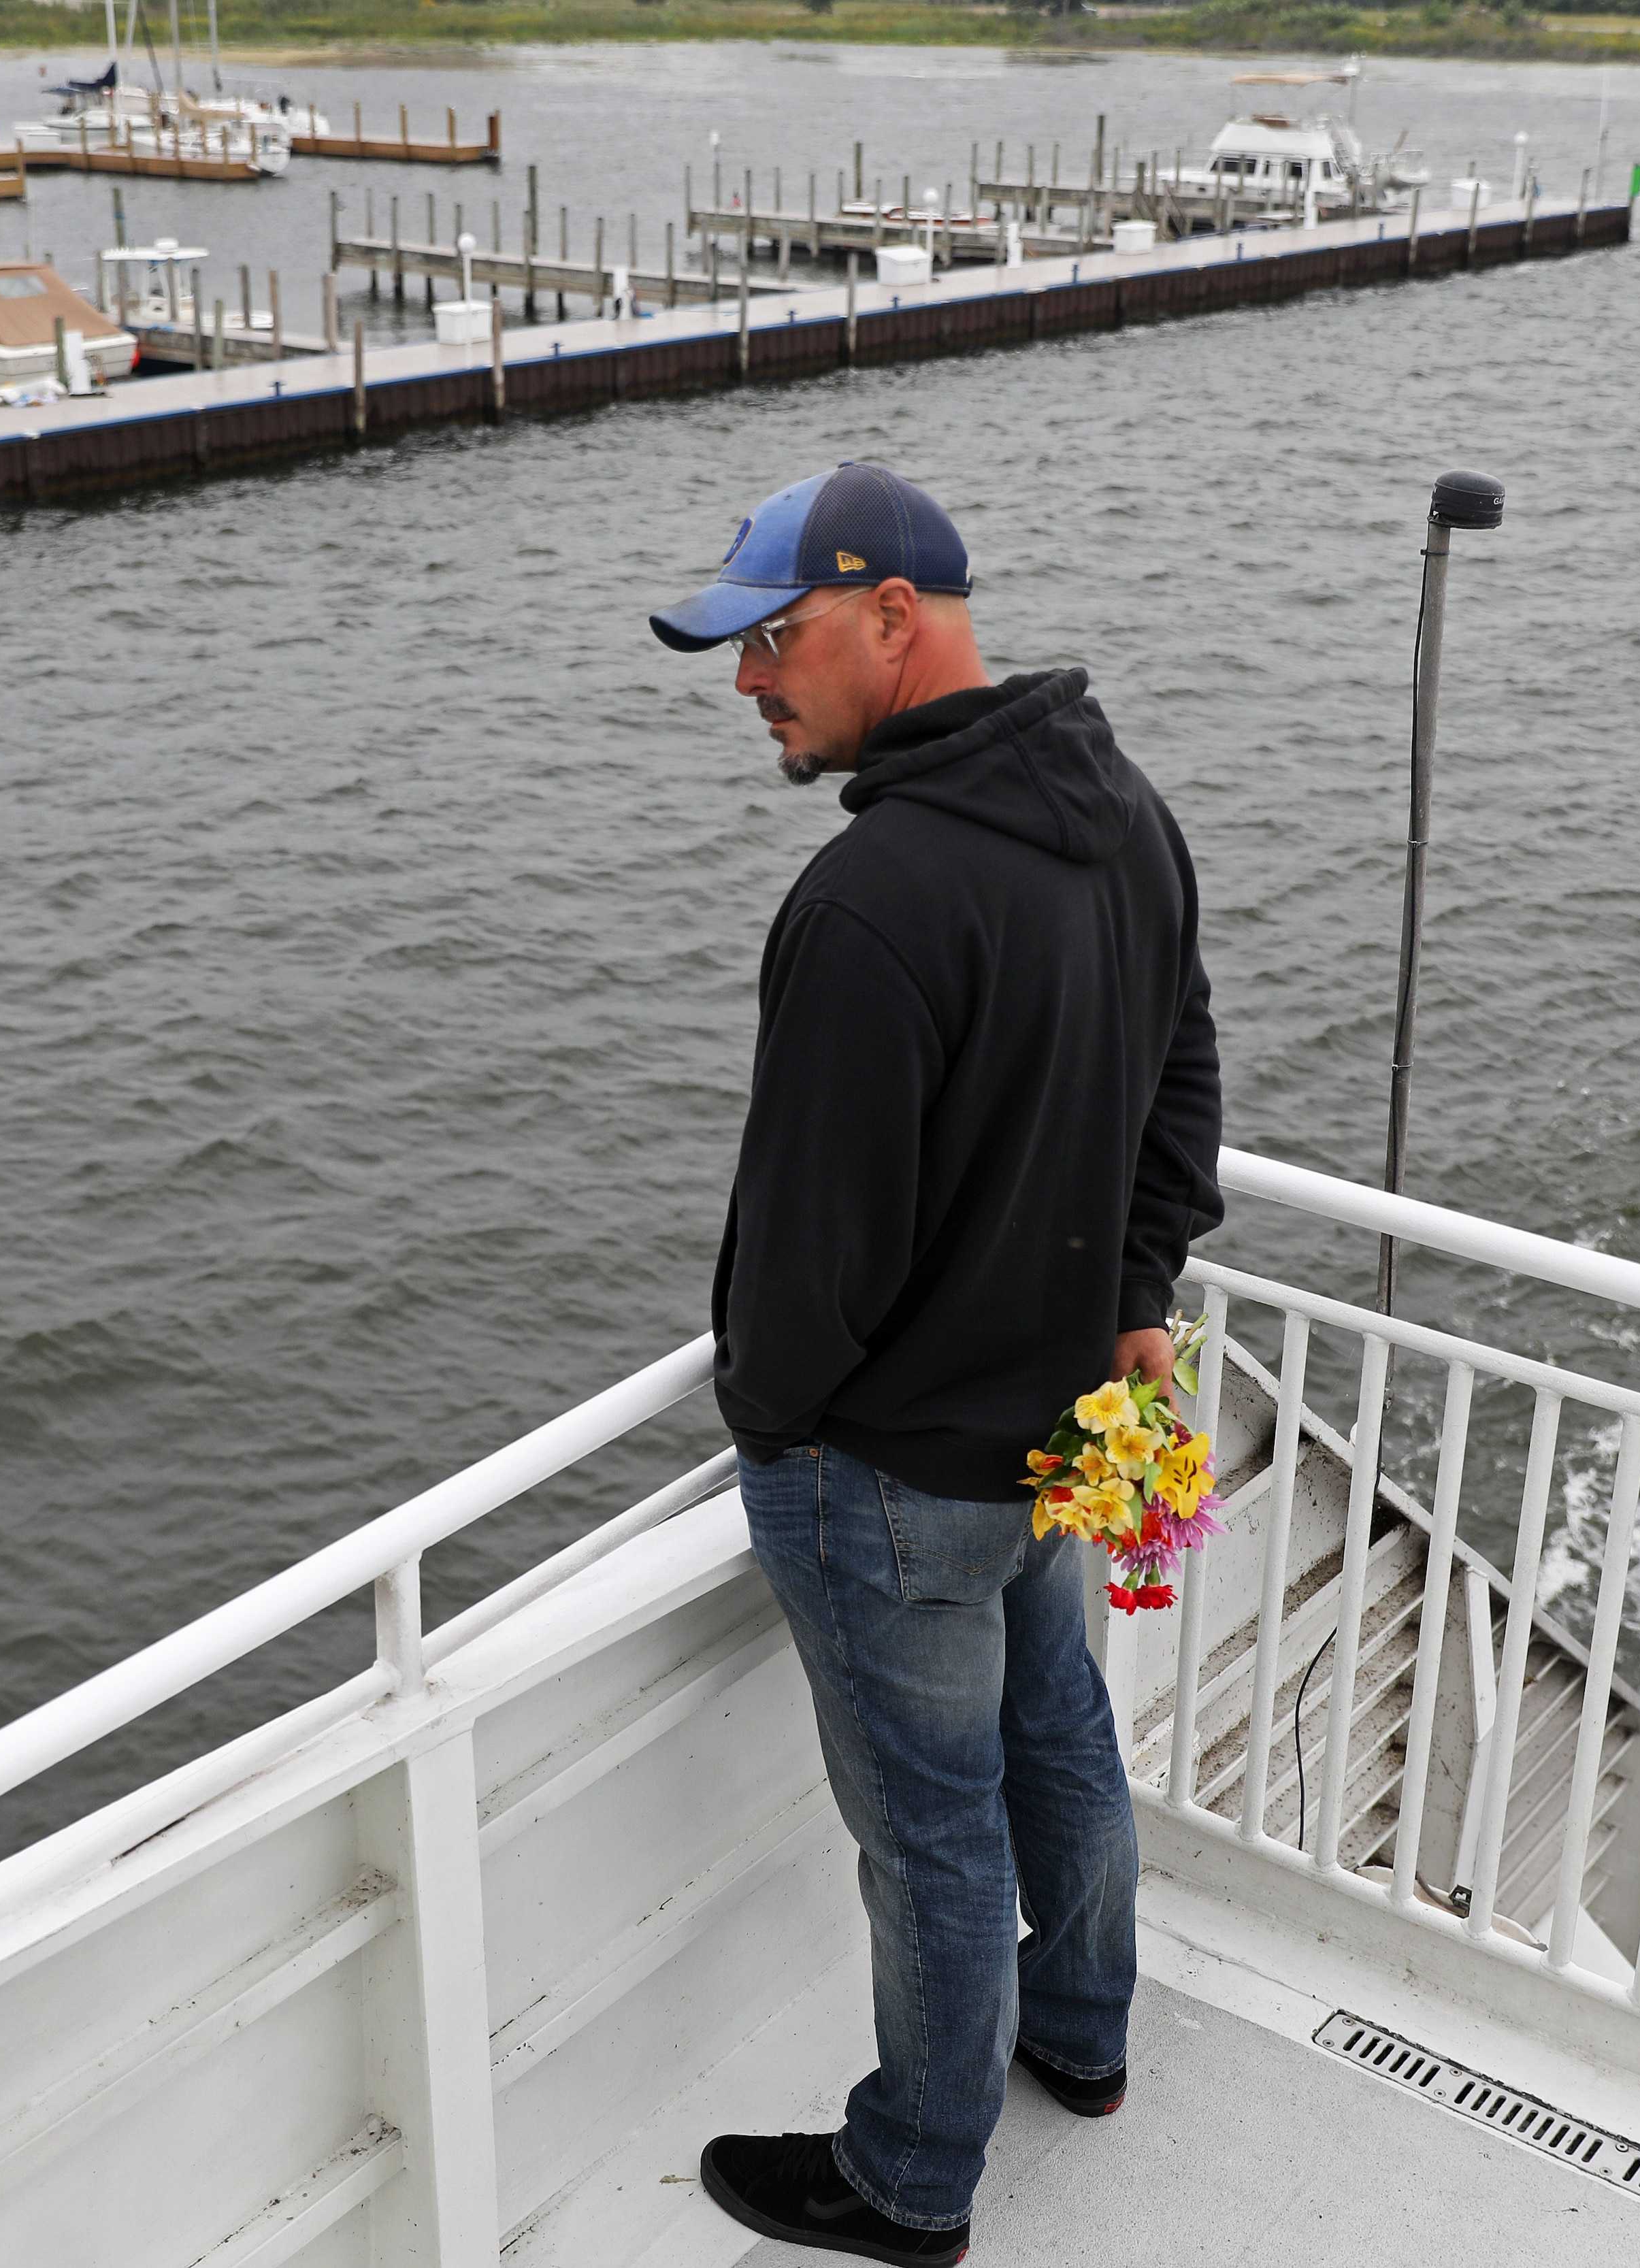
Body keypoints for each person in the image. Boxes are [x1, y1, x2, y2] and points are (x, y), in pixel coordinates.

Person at [648, 461, 1224, 2265]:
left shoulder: (868, 904)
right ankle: (1088, 2033)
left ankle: (911, 2173)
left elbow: (816, 1257)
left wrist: (769, 1422)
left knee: (934, 1840)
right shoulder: (1121, 809)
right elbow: (1182, 1089)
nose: (748, 678)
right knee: (1062, 1733)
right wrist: (1133, 1291)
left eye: (776, 636)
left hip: (888, 1475)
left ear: (896, 617)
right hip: (1065, 1427)